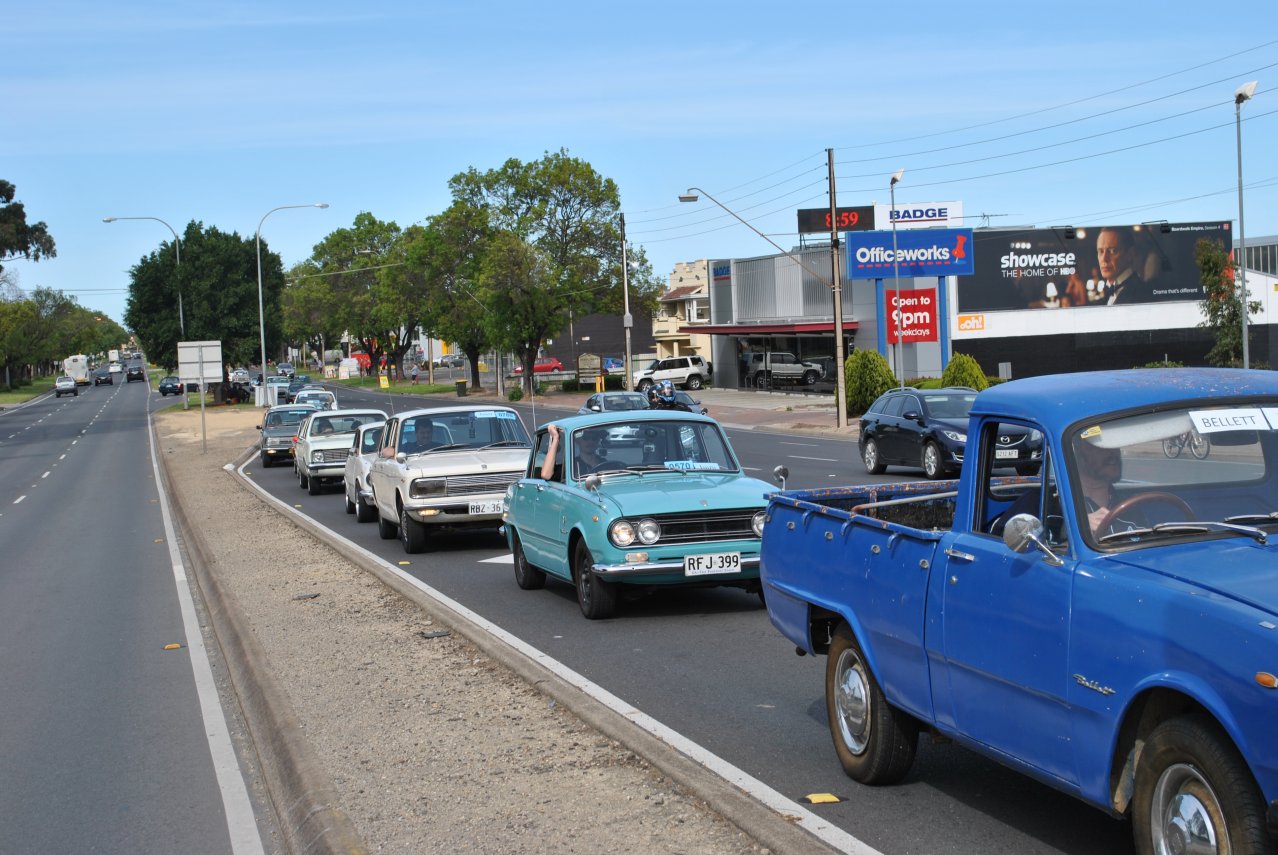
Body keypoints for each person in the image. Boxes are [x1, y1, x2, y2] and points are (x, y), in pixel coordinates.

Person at [1097, 228, 1152, 305]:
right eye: (1101, 251)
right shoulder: (1108, 293)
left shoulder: (1142, 293)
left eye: (1112, 251)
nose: (1104, 259)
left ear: (1130, 254)